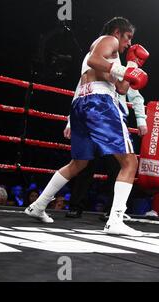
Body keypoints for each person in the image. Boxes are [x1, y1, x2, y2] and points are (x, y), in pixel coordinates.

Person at [24, 17, 148, 236]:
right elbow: (93, 60)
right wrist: (122, 70)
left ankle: (38, 205)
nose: (129, 43)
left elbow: (120, 89)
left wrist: (132, 66)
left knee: (78, 163)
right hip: (99, 103)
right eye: (128, 37)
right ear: (118, 32)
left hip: (83, 104)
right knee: (129, 162)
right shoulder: (108, 40)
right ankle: (115, 220)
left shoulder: (115, 58)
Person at [63, 87, 148, 219]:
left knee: (116, 168)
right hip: (90, 121)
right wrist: (71, 121)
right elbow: (79, 95)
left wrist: (141, 120)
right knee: (84, 165)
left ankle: (113, 212)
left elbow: (136, 97)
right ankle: (75, 207)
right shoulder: (91, 71)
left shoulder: (120, 73)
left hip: (113, 125)